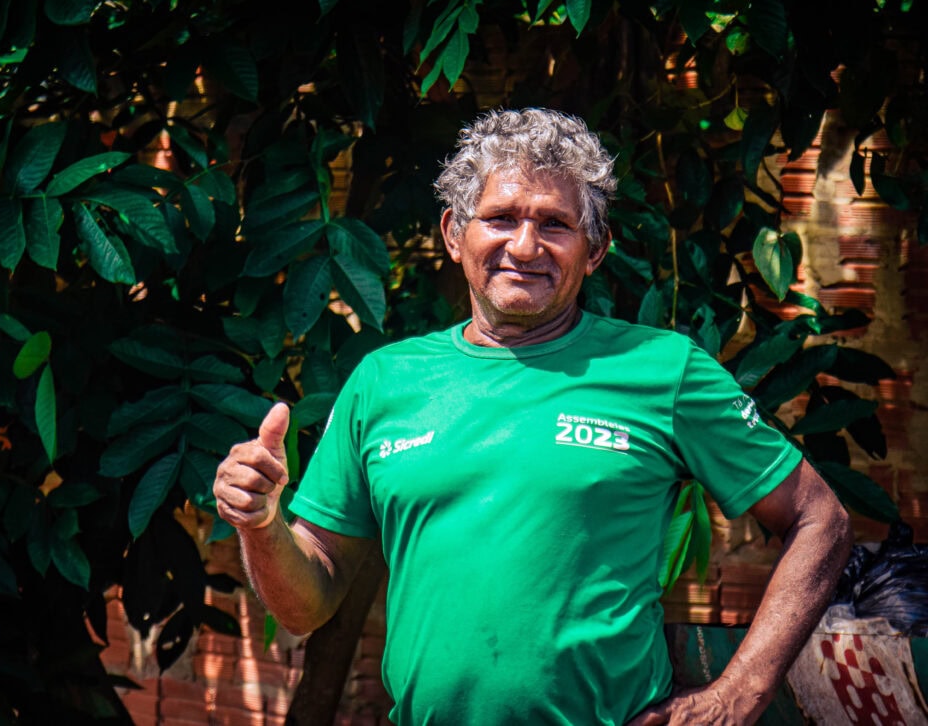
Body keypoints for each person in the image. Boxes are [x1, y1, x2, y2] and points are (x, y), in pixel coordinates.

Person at [214, 108, 852, 725]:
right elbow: (307, 603)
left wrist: (737, 695)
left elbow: (820, 516)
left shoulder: (663, 369)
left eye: (555, 224)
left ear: (594, 250)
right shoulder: (384, 382)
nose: (525, 246)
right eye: (500, 218)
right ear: (452, 233)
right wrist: (262, 524)